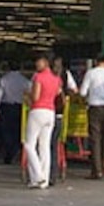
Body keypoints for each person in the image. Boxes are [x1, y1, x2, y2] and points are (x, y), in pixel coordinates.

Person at [23, 55, 62, 189]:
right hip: (50, 113)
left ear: (45, 62)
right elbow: (57, 93)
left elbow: (35, 97)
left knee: (29, 145)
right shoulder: (57, 79)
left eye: (38, 61)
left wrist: (27, 94)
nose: (36, 64)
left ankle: (38, 175)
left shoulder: (38, 77)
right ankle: (43, 180)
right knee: (44, 146)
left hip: (37, 111)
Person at [79, 54, 104, 179]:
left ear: (96, 61)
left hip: (95, 108)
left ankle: (96, 170)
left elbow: (82, 92)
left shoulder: (91, 73)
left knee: (95, 139)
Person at [0, 60, 31, 164]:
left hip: (6, 107)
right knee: (17, 130)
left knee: (6, 131)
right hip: (19, 107)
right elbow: (29, 94)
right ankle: (15, 149)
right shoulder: (25, 81)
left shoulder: (3, 80)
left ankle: (9, 151)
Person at [48, 55, 79, 183]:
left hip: (46, 113)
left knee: (46, 144)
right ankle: (53, 173)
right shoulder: (66, 75)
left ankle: (47, 173)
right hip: (59, 114)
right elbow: (75, 90)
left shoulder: (43, 76)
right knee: (55, 144)